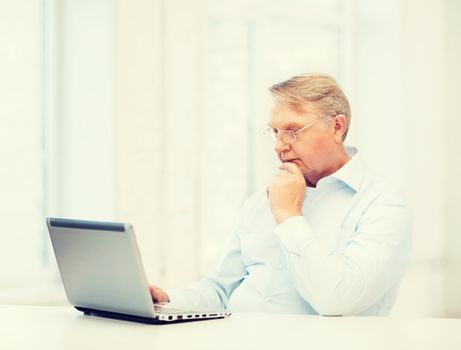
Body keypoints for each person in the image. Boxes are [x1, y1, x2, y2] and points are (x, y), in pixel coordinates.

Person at [149, 73, 411, 316]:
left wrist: (288, 216)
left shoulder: (383, 206)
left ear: (337, 127)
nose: (279, 146)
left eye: (292, 131)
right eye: (275, 132)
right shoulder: (260, 202)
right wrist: (166, 299)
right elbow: (220, 290)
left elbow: (337, 299)